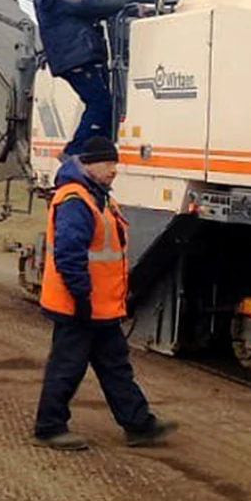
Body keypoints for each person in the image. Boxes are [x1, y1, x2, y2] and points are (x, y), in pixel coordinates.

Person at [32, 136, 176, 451]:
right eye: (108, 163)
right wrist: (82, 299)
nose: (114, 170)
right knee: (67, 368)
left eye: (116, 164)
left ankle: (139, 425)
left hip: (101, 307)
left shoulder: (99, 197)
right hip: (79, 306)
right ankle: (49, 427)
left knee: (116, 368)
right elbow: (70, 257)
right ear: (88, 164)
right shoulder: (76, 200)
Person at [34, 0, 133, 159]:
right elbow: (88, 3)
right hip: (76, 57)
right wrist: (125, 4)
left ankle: (96, 149)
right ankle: (75, 152)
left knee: (101, 103)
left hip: (73, 57)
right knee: (100, 103)